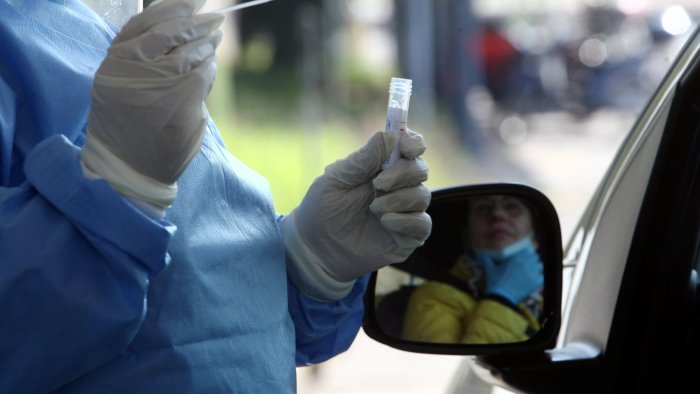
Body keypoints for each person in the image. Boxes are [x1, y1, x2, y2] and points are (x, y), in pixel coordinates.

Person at [0, 0, 432, 392]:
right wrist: (117, 184)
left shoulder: (97, 26)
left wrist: (310, 263)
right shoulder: (20, 39)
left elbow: (186, 313)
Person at [402, 194, 542, 344]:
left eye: (512, 206)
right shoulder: (432, 298)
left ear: (535, 237)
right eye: (482, 207)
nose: (497, 214)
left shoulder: (553, 290)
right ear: (467, 237)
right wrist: (502, 299)